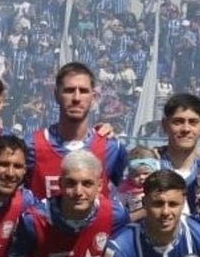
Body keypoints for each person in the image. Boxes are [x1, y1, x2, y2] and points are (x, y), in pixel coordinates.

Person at [27, 61, 127, 199]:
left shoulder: (112, 148)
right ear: (56, 95)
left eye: (84, 91)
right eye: (69, 90)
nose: (76, 98)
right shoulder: (31, 146)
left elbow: (133, 194)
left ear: (93, 97)